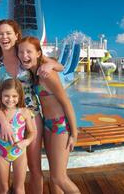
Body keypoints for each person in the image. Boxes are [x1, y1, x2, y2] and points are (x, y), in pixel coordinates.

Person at [0, 19, 63, 194]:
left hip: (31, 117)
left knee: (34, 166)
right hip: (4, 118)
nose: (4, 37)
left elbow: (60, 66)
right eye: (0, 33)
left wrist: (51, 64)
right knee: (2, 168)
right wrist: (3, 122)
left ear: (16, 35)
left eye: (8, 33)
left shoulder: (24, 56)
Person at [18, 36, 80, 194]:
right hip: (47, 124)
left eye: (29, 51)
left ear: (38, 53)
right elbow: (58, 65)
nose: (25, 55)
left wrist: (74, 133)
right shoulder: (35, 72)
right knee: (54, 178)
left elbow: (66, 102)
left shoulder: (47, 74)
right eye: (21, 51)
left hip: (60, 125)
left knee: (59, 178)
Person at [0, 78, 35, 194]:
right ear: (0, 95)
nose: (10, 99)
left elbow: (32, 132)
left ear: (19, 96)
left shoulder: (24, 112)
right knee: (4, 188)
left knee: (19, 188)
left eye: (14, 96)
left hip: (19, 153)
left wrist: (26, 142)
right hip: (1, 154)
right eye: (6, 96)